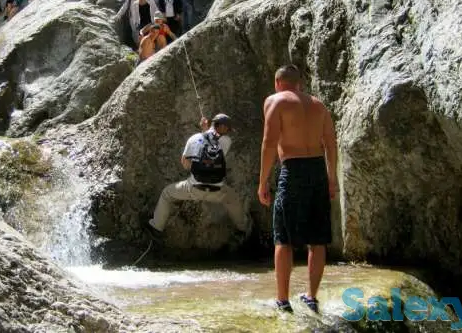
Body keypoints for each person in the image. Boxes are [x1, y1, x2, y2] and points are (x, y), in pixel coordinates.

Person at [258, 64, 337, 314]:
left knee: (283, 237)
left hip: (292, 170)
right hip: (317, 171)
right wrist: (332, 178)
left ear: (277, 83)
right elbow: (331, 144)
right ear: (299, 84)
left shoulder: (275, 100)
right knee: (317, 238)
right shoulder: (318, 105)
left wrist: (263, 182)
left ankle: (282, 300)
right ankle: (311, 297)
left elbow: (269, 142)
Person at [144, 114, 250, 243]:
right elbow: (213, 142)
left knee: (167, 193)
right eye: (227, 129)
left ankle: (156, 227)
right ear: (223, 127)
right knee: (233, 199)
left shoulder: (194, 138)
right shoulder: (227, 141)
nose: (228, 132)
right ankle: (243, 229)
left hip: (193, 189)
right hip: (218, 191)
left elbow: (185, 163)